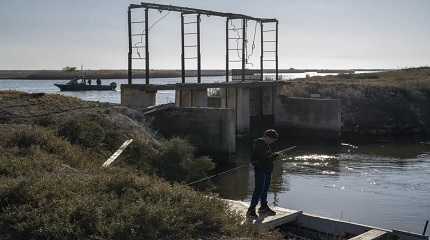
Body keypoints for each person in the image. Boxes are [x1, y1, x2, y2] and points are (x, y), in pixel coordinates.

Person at [247, 129, 279, 218]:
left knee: (265, 189)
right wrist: (272, 156)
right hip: (261, 170)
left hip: (267, 170)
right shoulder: (259, 144)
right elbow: (260, 158)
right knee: (259, 190)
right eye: (272, 139)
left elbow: (267, 157)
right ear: (267, 137)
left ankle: (263, 207)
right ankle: (251, 210)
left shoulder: (266, 145)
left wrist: (273, 156)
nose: (272, 142)